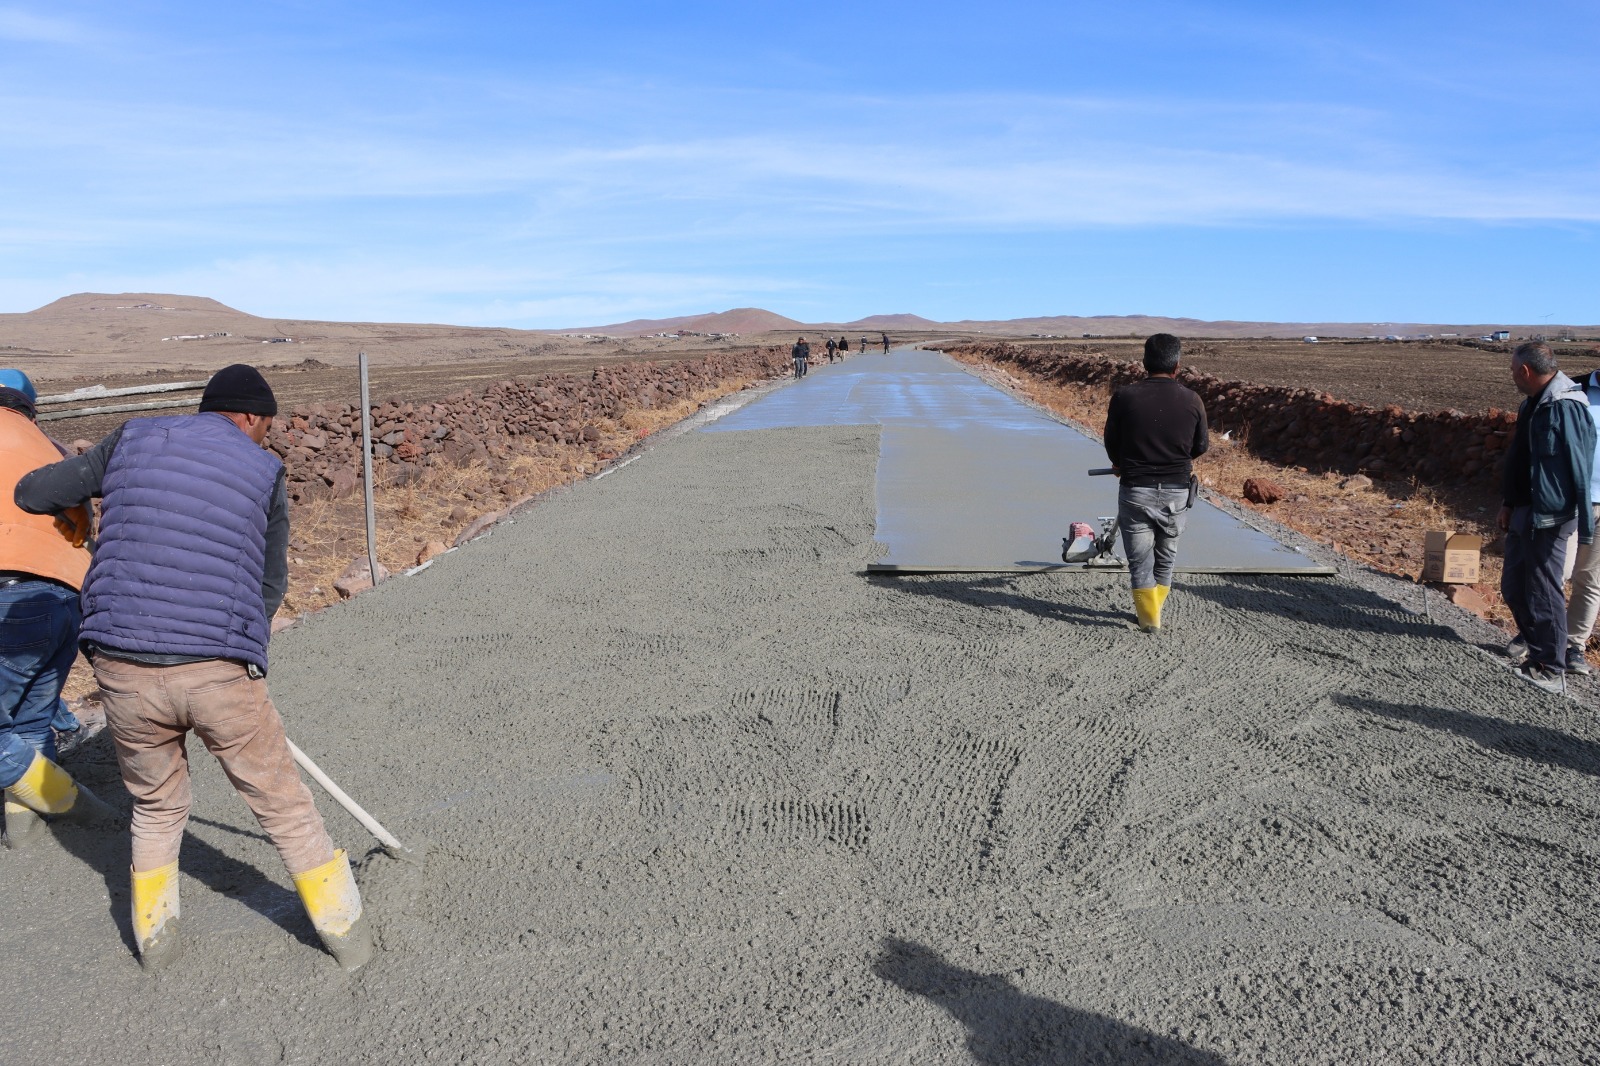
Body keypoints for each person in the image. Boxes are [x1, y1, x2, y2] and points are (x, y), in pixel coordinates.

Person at [16, 364, 374, 972]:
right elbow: (271, 577)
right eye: (267, 427)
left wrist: (81, 508)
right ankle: (350, 941)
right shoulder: (264, 471)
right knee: (282, 803)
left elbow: (31, 493)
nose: (264, 438)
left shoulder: (130, 437)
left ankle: (157, 948)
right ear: (252, 419)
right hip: (217, 668)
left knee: (155, 808)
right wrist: (244, 650)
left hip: (122, 669)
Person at [0, 369, 113, 849]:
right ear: (30, 408)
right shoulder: (49, 447)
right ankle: (25, 835)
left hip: (8, 594)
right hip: (67, 597)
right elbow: (82, 522)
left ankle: (76, 805)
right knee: (29, 721)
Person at [1498, 342, 1595, 693]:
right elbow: (1522, 459)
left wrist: (1583, 523)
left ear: (1526, 371)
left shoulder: (1565, 407)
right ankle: (1537, 652)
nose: (1512, 376)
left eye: (1513, 370)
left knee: (1542, 589)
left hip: (1551, 515)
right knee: (1513, 586)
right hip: (1525, 510)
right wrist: (1509, 502)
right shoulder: (1532, 404)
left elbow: (1580, 466)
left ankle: (1550, 667)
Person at [1101, 334, 1209, 632]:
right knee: (1166, 558)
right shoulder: (1193, 400)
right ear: (1177, 365)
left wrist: (1120, 464)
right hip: (1177, 493)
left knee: (1140, 562)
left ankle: (1149, 621)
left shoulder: (1124, 397)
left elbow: (1111, 442)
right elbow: (1200, 446)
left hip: (1135, 491)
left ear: (1144, 363)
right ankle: (1153, 613)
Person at [1564, 365, 1600, 675]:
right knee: (1556, 570)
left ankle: (1574, 646)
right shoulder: (1574, 390)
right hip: (1571, 498)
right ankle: (1537, 631)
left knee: (1590, 578)